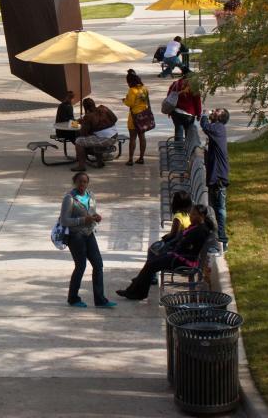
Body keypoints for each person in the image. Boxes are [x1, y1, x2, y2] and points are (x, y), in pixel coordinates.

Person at [117, 204, 214, 301]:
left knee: (151, 265)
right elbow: (183, 242)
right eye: (191, 213)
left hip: (182, 260)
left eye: (194, 214)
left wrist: (171, 250)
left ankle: (137, 290)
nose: (191, 216)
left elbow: (185, 245)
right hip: (178, 255)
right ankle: (135, 287)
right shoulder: (198, 226)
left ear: (201, 216)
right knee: (151, 262)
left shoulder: (200, 230)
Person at [58, 172, 116, 309]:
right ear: (75, 182)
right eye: (80, 181)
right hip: (75, 236)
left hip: (89, 233)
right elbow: (64, 220)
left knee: (98, 264)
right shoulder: (69, 198)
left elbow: (91, 212)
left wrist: (95, 217)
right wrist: (83, 220)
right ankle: (73, 298)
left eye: (85, 182)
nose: (82, 184)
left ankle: (100, 300)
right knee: (81, 266)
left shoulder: (91, 195)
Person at [200, 108, 230, 252]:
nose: (214, 111)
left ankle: (222, 240)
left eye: (217, 111)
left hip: (218, 178)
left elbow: (205, 126)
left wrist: (204, 114)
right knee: (213, 209)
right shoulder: (217, 130)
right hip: (214, 176)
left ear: (220, 117)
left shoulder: (218, 128)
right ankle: (214, 237)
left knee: (219, 209)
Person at [71, 98, 118, 171]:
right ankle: (99, 162)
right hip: (114, 136)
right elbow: (115, 119)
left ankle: (81, 166)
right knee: (94, 137)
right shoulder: (104, 108)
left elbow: (83, 133)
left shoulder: (88, 116)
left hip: (106, 139)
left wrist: (78, 122)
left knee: (79, 141)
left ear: (85, 107)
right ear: (94, 104)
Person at [122, 69, 150, 165]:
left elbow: (130, 103)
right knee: (142, 137)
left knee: (132, 138)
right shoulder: (144, 89)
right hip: (144, 116)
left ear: (129, 81)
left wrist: (124, 100)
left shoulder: (132, 90)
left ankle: (130, 159)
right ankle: (141, 158)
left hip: (134, 116)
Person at [168, 74, 202, 144]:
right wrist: (199, 114)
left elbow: (169, 97)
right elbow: (197, 102)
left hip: (176, 112)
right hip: (189, 114)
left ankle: (178, 151)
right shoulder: (194, 87)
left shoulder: (176, 84)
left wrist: (169, 111)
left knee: (178, 132)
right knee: (188, 133)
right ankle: (188, 151)